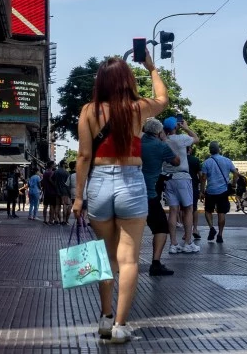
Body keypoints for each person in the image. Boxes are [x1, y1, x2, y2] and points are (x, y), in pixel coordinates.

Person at [73, 52, 168, 343]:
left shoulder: (88, 111)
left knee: (104, 256)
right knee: (128, 260)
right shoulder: (137, 108)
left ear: (100, 82)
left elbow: (84, 155)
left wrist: (78, 198)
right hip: (131, 182)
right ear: (127, 80)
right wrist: (151, 68)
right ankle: (120, 326)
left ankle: (105, 317)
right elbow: (163, 99)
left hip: (99, 183)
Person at [141, 118, 180, 276]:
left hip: (128, 193)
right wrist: (164, 140)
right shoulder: (160, 146)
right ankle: (156, 263)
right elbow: (176, 161)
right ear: (159, 131)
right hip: (149, 194)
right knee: (161, 227)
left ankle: (120, 262)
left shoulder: (135, 143)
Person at [162, 116, 200, 254]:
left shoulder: (163, 141)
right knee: (188, 209)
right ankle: (188, 242)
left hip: (168, 178)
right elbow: (196, 139)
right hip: (182, 177)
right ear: (175, 127)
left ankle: (173, 244)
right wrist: (186, 128)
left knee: (173, 211)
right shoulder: (181, 139)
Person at [200, 141, 238, 244]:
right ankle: (220, 235)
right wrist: (233, 184)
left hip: (210, 191)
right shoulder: (227, 161)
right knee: (221, 213)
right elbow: (235, 173)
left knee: (208, 211)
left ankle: (211, 228)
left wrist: (202, 191)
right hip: (223, 191)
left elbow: (203, 178)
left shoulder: (206, 162)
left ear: (210, 151)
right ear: (219, 150)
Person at [187, 146, 202, 240]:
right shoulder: (195, 160)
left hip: (182, 185)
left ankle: (186, 231)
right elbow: (200, 175)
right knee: (194, 208)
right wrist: (201, 186)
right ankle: (195, 229)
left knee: (184, 209)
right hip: (193, 186)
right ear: (189, 149)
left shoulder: (179, 159)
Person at [54, 159, 71, 224]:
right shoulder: (66, 173)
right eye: (66, 163)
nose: (67, 164)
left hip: (57, 190)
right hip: (65, 191)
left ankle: (56, 219)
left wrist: (55, 185)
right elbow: (68, 184)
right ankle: (64, 220)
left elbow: (51, 179)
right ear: (63, 164)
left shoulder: (56, 171)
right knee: (64, 205)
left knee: (57, 205)